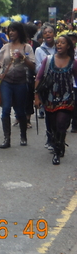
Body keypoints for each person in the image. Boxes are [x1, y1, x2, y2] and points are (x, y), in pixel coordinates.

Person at [0, 21, 36, 149]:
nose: (10, 33)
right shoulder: (5, 47)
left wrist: (23, 58)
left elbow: (33, 66)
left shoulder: (27, 48)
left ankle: (23, 135)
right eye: (9, 30)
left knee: (20, 111)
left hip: (21, 83)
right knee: (5, 110)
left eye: (13, 30)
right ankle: (7, 138)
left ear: (19, 32)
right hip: (6, 82)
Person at [35, 35, 77, 165]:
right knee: (53, 126)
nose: (59, 45)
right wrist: (36, 96)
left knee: (61, 123)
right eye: (57, 43)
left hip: (67, 97)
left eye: (62, 43)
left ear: (68, 46)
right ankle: (58, 143)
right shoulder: (48, 60)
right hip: (50, 98)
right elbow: (39, 78)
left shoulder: (73, 62)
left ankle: (57, 152)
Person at [34, 25, 57, 122]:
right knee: (49, 109)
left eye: (50, 32)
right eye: (45, 33)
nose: (47, 34)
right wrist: (47, 61)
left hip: (59, 80)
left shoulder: (60, 47)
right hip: (46, 81)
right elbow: (37, 69)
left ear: (54, 34)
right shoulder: (39, 50)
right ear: (42, 36)